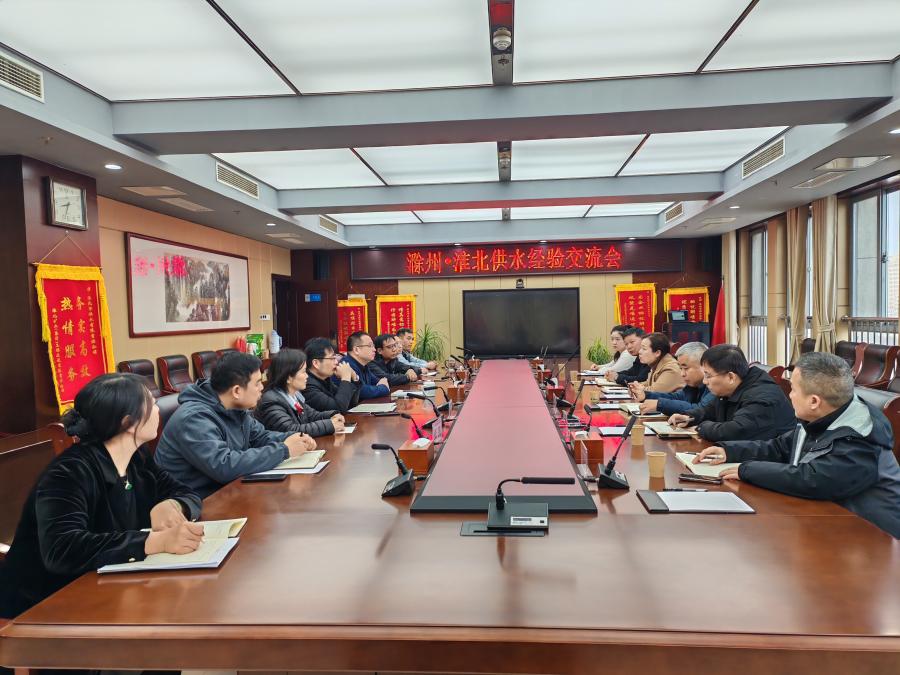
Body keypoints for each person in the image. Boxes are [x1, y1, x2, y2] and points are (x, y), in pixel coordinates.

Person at [0, 374, 203, 619]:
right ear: (128, 423)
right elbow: (63, 549)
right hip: (44, 606)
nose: (158, 409)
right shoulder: (69, 472)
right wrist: (154, 541)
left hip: (109, 587)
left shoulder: (137, 457)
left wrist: (173, 504)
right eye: (151, 404)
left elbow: (185, 492)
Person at [694, 352, 900, 538]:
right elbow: (779, 447)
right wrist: (729, 451)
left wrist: (747, 470)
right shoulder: (822, 416)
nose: (789, 395)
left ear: (814, 401)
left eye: (793, 389)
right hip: (826, 525)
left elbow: (813, 480)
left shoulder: (859, 436)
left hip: (872, 541)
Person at [155, 352, 316, 498]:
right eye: (257, 383)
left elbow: (261, 436)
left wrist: (294, 438)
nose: (262, 388)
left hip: (228, 492)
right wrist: (284, 450)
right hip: (195, 504)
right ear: (237, 391)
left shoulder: (234, 407)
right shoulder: (194, 419)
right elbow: (224, 465)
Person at [669, 344, 795, 442]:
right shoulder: (731, 389)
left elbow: (735, 431)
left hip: (770, 462)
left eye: (708, 375)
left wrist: (700, 427)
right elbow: (709, 410)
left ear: (730, 377)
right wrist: (690, 417)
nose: (704, 381)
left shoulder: (762, 396)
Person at [256, 348, 346, 437]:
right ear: (288, 378)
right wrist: (329, 425)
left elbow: (311, 415)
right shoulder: (271, 401)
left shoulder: (294, 395)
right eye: (303, 372)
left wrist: (332, 415)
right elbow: (292, 430)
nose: (307, 376)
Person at [632, 342, 715, 415]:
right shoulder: (693, 385)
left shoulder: (714, 386)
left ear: (703, 366)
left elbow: (699, 409)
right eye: (681, 368)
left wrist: (660, 404)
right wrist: (646, 395)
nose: (682, 374)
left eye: (686, 368)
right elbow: (677, 397)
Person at [302, 336, 361, 413]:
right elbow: (338, 409)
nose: (336, 362)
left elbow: (351, 404)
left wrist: (354, 377)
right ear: (316, 363)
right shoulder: (307, 386)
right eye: (332, 358)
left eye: (335, 358)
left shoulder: (325, 379)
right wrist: (345, 378)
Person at [344, 331, 391, 399]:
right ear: (356, 350)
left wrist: (382, 385)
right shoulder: (347, 365)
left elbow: (378, 381)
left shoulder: (364, 364)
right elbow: (362, 391)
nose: (374, 350)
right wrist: (383, 388)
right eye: (370, 346)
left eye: (373, 346)